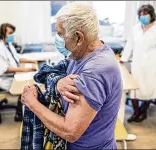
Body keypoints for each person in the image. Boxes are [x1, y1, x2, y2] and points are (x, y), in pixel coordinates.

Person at [21, 2, 122, 149]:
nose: (58, 39)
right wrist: (58, 83)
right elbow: (46, 72)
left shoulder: (95, 71)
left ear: (79, 38)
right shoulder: (81, 54)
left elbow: (70, 131)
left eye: (61, 34)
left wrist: (32, 103)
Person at [121, 4, 156, 122]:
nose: (142, 16)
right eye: (140, 14)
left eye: (145, 14)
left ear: (151, 15)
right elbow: (129, 45)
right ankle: (136, 112)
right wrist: (123, 58)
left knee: (148, 89)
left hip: (152, 65)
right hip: (137, 64)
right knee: (134, 89)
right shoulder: (136, 28)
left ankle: (143, 112)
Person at [0, 23, 37, 91]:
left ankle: (22, 99)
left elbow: (16, 57)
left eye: (12, 33)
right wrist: (24, 70)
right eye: (10, 33)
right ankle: (22, 100)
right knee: (25, 87)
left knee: (30, 82)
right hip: (2, 78)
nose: (12, 35)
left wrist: (31, 61)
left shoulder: (8, 44)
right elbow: (5, 69)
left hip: (12, 74)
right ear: (3, 33)